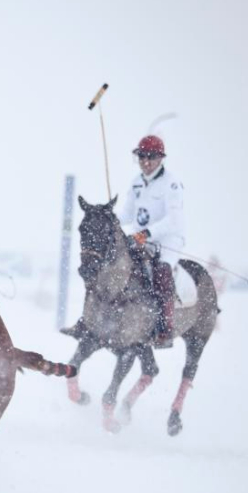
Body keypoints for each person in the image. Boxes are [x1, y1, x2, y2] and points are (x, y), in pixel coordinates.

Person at [61, 134, 184, 347]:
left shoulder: (171, 184)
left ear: (160, 159)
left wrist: (146, 233)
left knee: (162, 273)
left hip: (167, 241)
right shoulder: (137, 183)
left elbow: (173, 220)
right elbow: (127, 214)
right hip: (139, 240)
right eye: (142, 156)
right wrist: (109, 219)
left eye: (151, 157)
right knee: (102, 267)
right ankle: (87, 320)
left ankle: (165, 328)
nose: (146, 162)